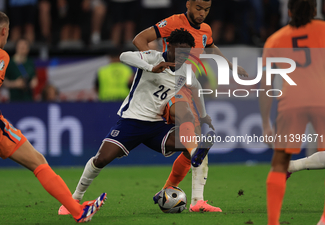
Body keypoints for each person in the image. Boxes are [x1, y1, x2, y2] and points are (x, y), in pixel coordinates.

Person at [58, 28, 213, 215]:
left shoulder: (186, 72)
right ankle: (73, 199)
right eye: (179, 51)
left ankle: (196, 201)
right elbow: (124, 56)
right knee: (102, 159)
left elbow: (196, 88)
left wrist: (203, 115)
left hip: (158, 126)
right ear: (168, 45)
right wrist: (150, 68)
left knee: (195, 149)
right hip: (132, 121)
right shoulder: (152, 57)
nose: (182, 56)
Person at [133, 0, 248, 212]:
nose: (202, 13)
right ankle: (197, 202)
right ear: (188, 5)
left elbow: (211, 46)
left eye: (206, 9)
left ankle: (173, 193)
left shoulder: (205, 30)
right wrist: (153, 64)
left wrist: (231, 66)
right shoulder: (173, 22)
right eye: (198, 8)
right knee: (196, 142)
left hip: (188, 87)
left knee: (192, 147)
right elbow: (140, 39)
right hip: (171, 86)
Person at [0, 10, 105, 223]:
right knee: (38, 161)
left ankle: (75, 207)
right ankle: (77, 212)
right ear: (4, 31)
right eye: (9, 32)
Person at [259, 0, 325, 225]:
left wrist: (266, 123)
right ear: (315, 11)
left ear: (288, 12)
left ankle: (273, 223)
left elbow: (266, 85)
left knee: (279, 163)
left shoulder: (275, 39)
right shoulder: (323, 30)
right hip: (322, 100)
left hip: (291, 103)